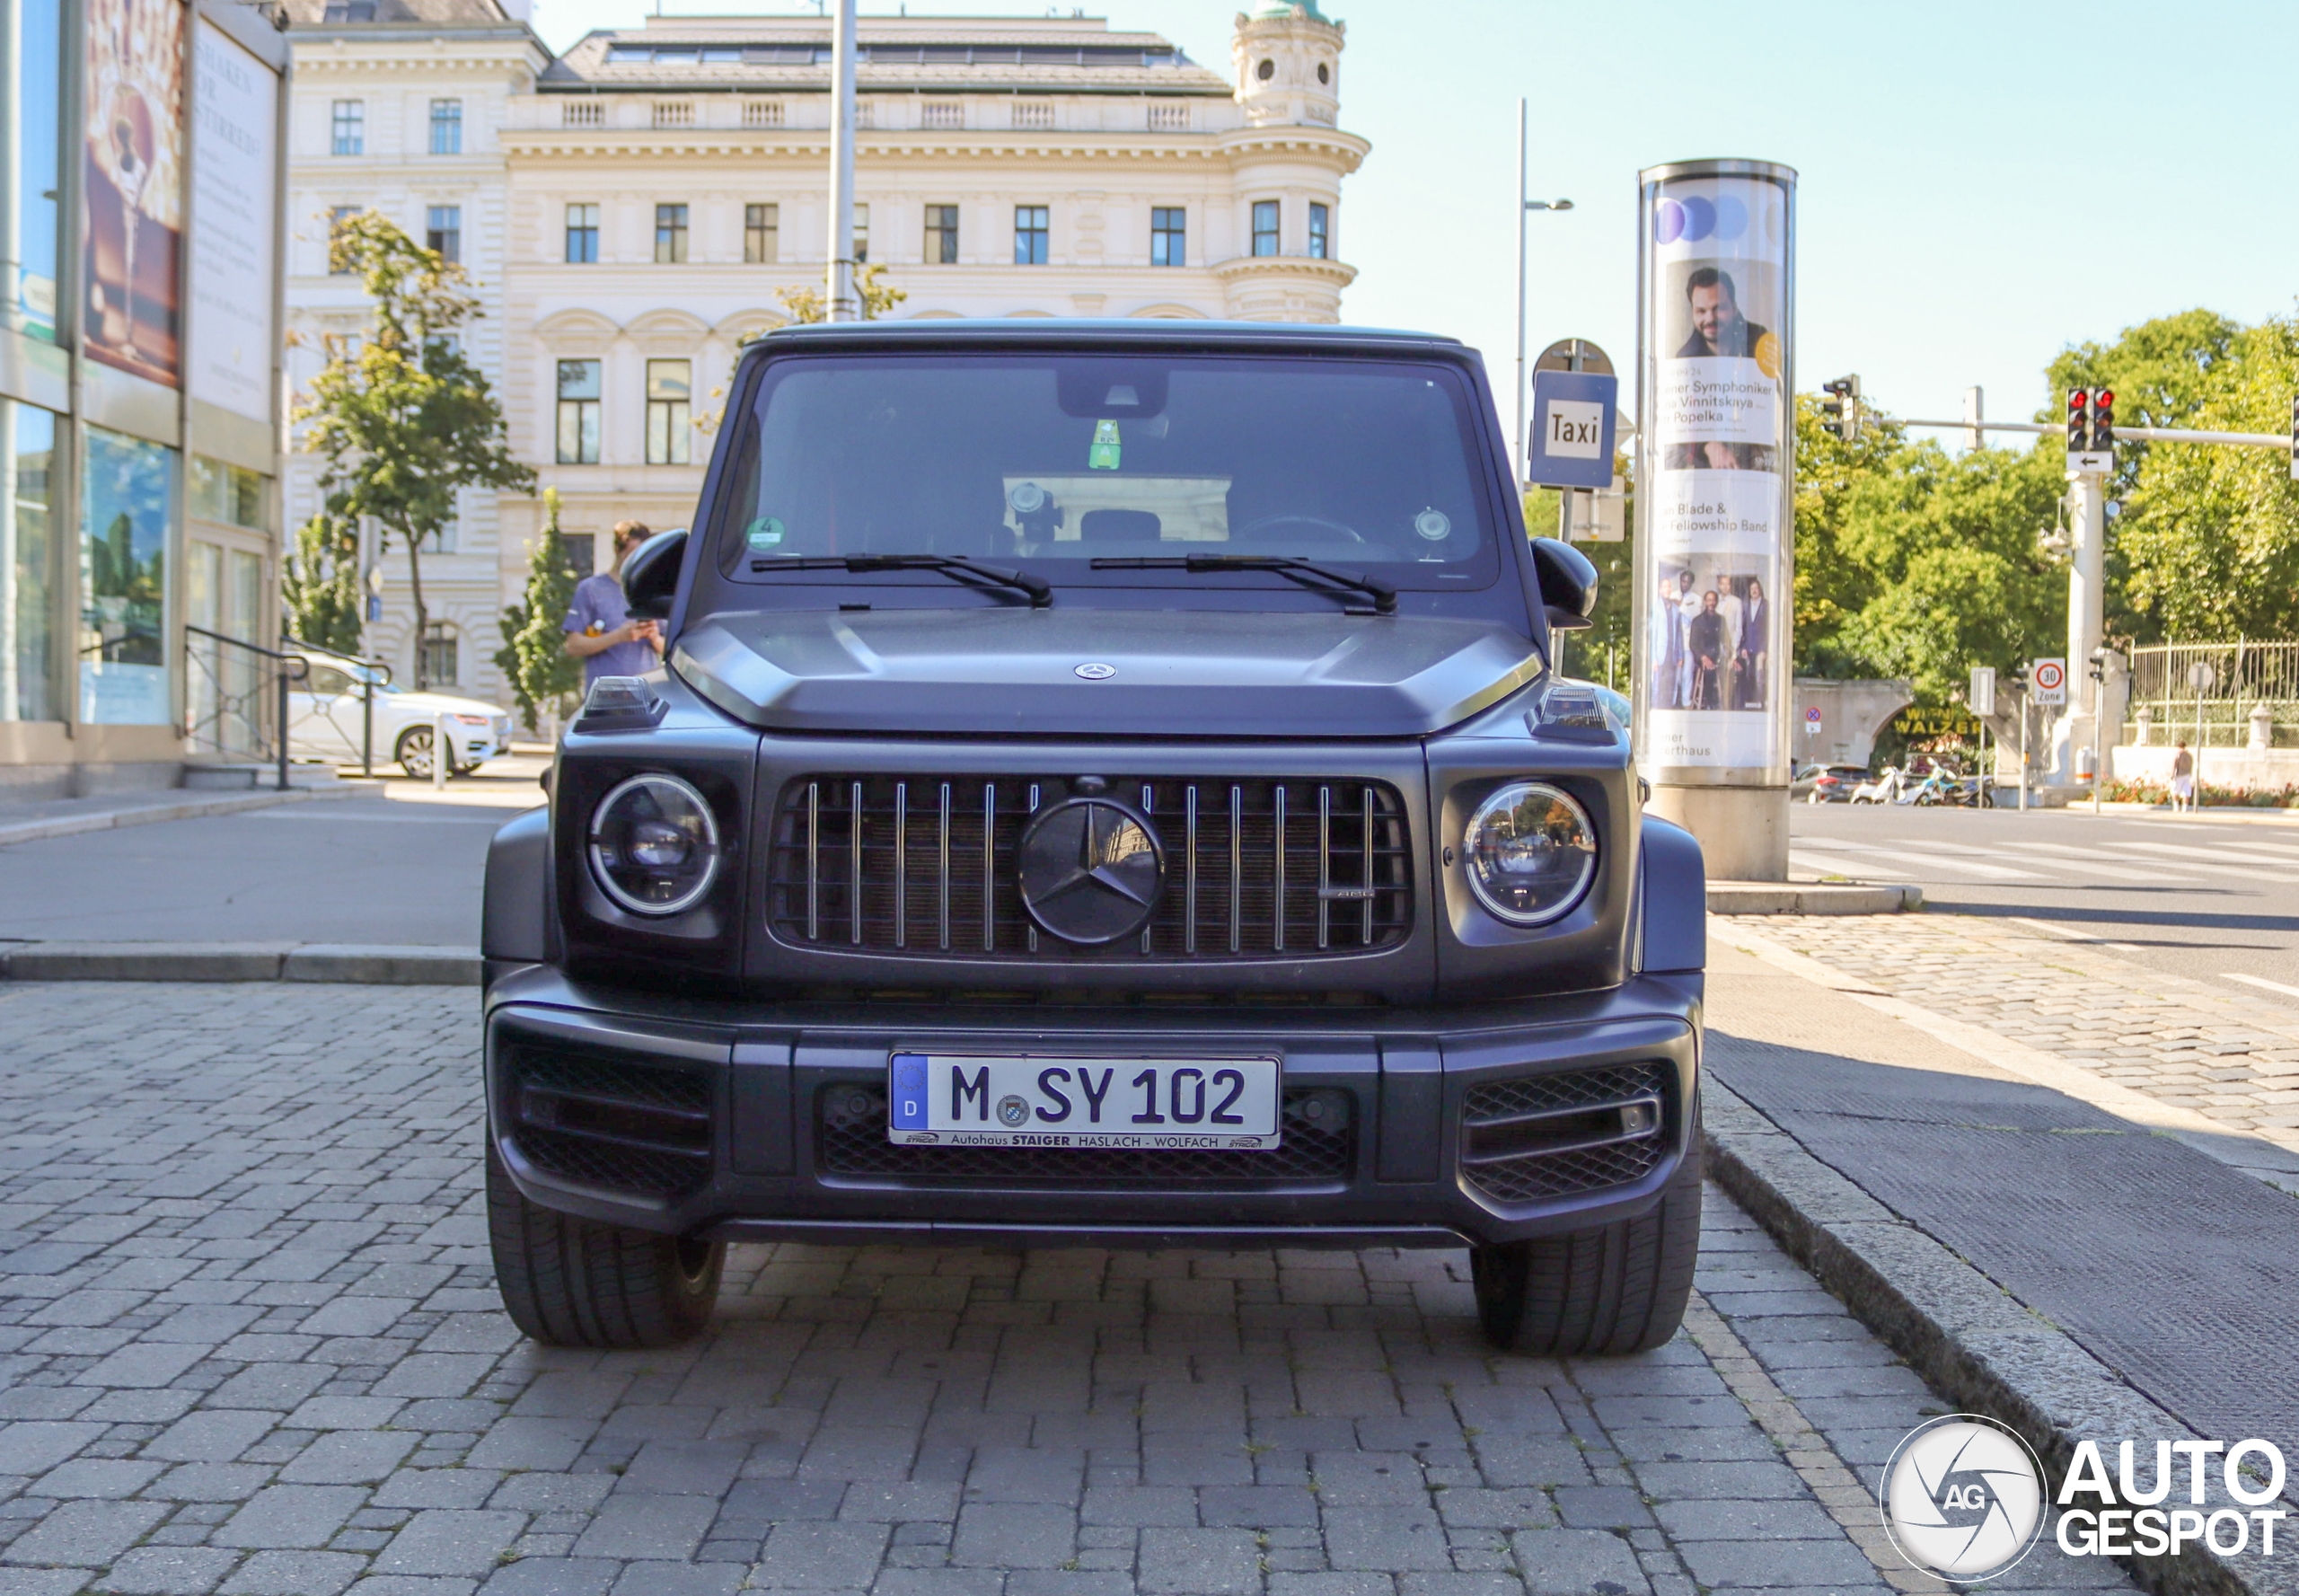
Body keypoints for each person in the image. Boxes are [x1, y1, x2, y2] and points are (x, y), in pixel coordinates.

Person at [563, 520, 665, 688]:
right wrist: (617, 637)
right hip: (605, 697)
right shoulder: (591, 589)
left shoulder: (653, 591)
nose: (636, 561)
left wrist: (654, 637)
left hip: (645, 696)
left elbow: (673, 651)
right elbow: (573, 646)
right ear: (618, 550)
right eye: (631, 554)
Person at [1675, 267, 1770, 359]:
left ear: (1734, 308)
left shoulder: (1760, 340)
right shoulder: (1685, 357)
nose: (1710, 318)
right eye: (1701, 311)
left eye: (1718, 308)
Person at [1687, 591, 1725, 710]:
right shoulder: (1697, 621)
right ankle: (1710, 703)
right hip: (1702, 657)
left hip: (1717, 656)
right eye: (1709, 600)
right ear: (1705, 602)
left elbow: (1726, 640)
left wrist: (1730, 656)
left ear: (1716, 602)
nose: (1711, 603)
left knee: (1734, 670)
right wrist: (1703, 657)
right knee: (1708, 670)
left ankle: (1725, 704)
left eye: (1713, 600)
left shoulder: (1721, 620)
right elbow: (1693, 644)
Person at [1736, 577, 1769, 710]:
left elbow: (1768, 628)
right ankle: (1749, 701)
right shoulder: (1746, 605)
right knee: (1748, 675)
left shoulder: (1766, 605)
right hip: (1748, 646)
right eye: (1752, 589)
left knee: (1759, 675)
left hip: (1760, 647)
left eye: (1756, 588)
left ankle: (1760, 701)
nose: (1754, 591)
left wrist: (1764, 649)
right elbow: (1743, 627)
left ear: (1760, 590)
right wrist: (1743, 646)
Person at [1716, 576, 1745, 708]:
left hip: (1731, 647)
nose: (1725, 587)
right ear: (1718, 585)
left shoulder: (1736, 602)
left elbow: (1739, 628)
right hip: (1716, 648)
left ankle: (1727, 707)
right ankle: (1718, 705)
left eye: (1727, 584)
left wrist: (1733, 650)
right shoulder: (1714, 601)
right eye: (1722, 584)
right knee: (1717, 680)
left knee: (1729, 679)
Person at [2170, 739, 2195, 814]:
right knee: (2186, 791)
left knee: (2174, 791)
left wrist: (2172, 775)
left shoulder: (2178, 754)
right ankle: (2184, 808)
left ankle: (2176, 807)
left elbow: (2174, 765)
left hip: (2179, 775)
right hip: (2187, 775)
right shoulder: (2189, 755)